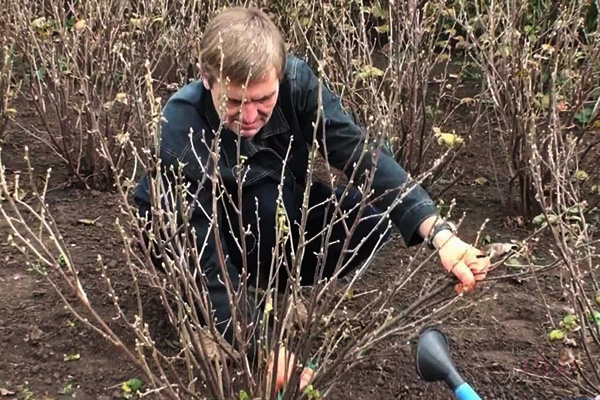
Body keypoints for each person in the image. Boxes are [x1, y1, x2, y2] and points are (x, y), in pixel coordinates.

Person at [134, 6, 490, 392]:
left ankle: (267, 290)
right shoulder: (181, 124)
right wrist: (261, 348)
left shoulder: (297, 84)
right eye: (235, 102)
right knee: (260, 211)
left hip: (271, 211)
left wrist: (441, 234)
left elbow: (361, 156)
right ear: (207, 79)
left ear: (280, 75)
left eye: (263, 99)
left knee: (367, 221)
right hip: (200, 232)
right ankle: (207, 321)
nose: (251, 115)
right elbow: (201, 251)